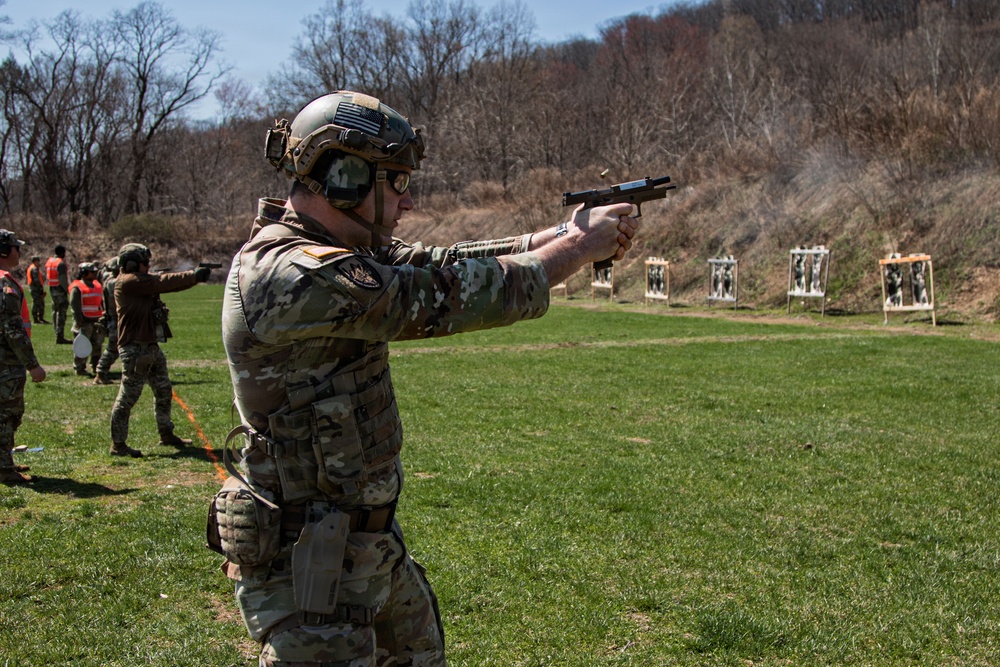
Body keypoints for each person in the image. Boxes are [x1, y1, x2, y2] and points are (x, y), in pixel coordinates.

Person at [216, 91, 638, 666]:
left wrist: (561, 234)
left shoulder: (338, 251)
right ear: (345, 175)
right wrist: (579, 249)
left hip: (362, 545)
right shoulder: (289, 273)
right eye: (396, 181)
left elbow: (442, 260)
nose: (407, 200)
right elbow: (437, 297)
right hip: (309, 563)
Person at [108, 243, 211, 458]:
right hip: (135, 349)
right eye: (145, 263)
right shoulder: (129, 282)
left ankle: (166, 433)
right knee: (128, 397)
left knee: (163, 390)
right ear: (132, 264)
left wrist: (191, 277)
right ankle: (118, 444)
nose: (148, 266)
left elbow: (159, 281)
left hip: (150, 347)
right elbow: (162, 282)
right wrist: (194, 276)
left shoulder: (138, 281)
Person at [0, 229, 46, 484]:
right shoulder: (5, 284)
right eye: (16, 247)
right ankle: (5, 469)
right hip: (6, 361)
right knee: (7, 413)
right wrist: (33, 365)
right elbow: (13, 330)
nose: (20, 252)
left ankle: (5, 460)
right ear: (5, 251)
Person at [68, 262, 106, 377]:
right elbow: (75, 305)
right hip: (84, 321)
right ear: (84, 273)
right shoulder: (77, 287)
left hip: (97, 320)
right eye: (92, 271)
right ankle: (79, 367)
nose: (94, 273)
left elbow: (100, 302)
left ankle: (96, 366)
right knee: (82, 345)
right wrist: (78, 320)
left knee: (97, 345)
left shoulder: (97, 285)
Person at [94, 257, 121, 385]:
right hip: (115, 319)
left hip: (116, 318)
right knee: (113, 349)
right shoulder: (112, 282)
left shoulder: (109, 279)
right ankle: (100, 372)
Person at [45, 244, 71, 344]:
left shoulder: (50, 261)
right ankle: (60, 335)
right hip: (59, 289)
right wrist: (67, 290)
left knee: (54, 311)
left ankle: (56, 332)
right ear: (62, 253)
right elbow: (62, 279)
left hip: (52, 288)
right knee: (61, 312)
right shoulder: (60, 263)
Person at [26, 254, 48, 324]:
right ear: (35, 261)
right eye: (38, 261)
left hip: (33, 288)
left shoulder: (30, 267)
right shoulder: (34, 268)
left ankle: (39, 318)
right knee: (37, 303)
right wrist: (40, 289)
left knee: (39, 303)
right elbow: (36, 280)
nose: (39, 262)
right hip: (36, 289)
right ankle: (37, 318)